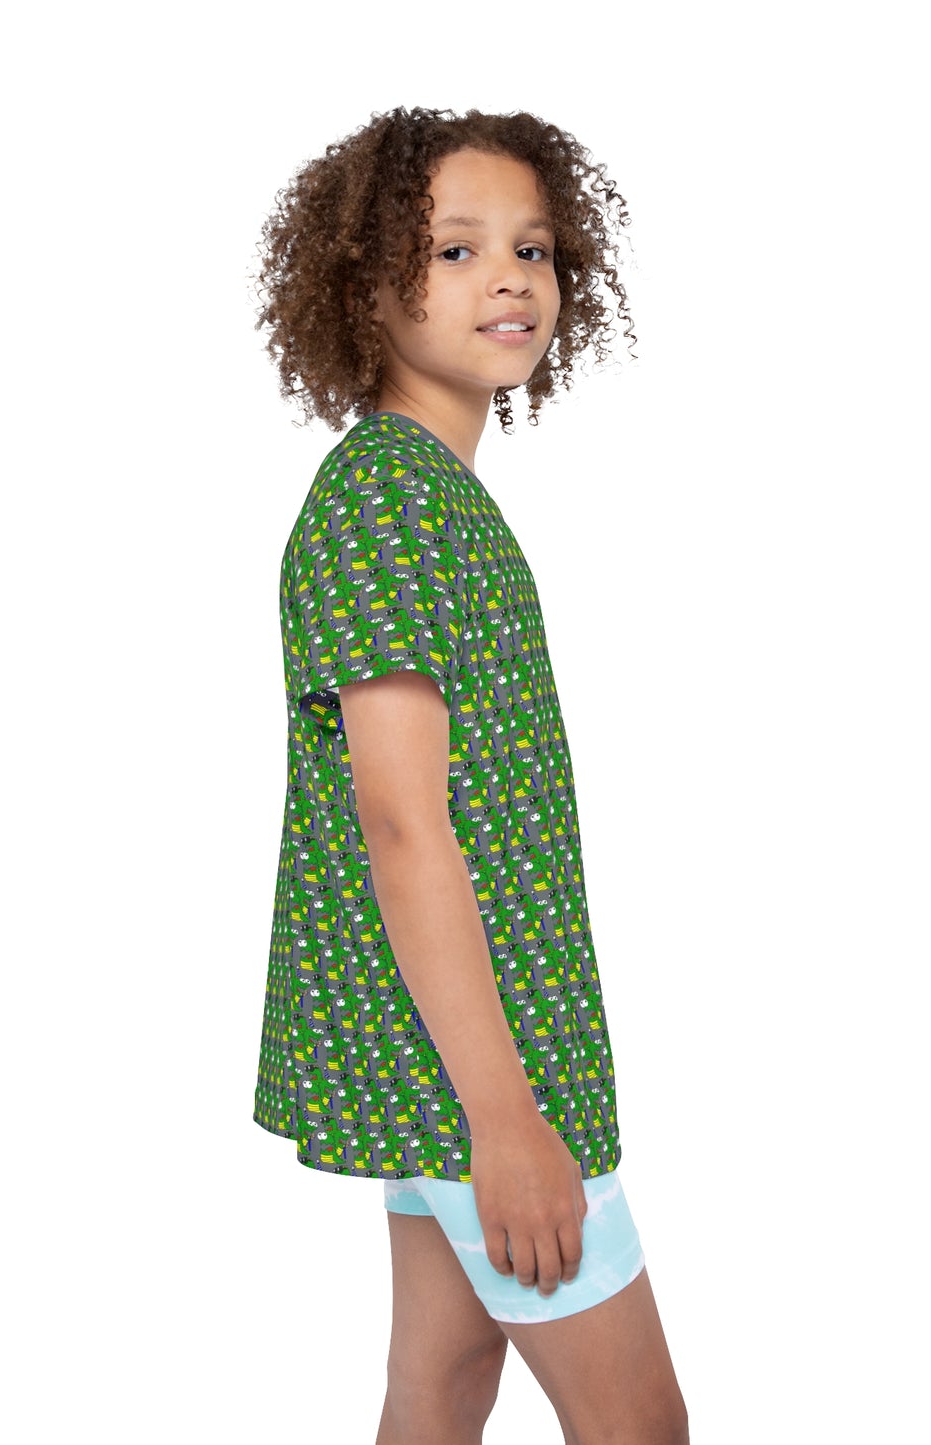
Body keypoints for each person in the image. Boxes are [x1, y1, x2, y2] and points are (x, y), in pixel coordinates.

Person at [251, 107, 690, 1445]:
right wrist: (505, 1122)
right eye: (454, 249)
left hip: (462, 1045)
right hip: (476, 1069)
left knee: (440, 1387)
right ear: (363, 286)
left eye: (532, 249)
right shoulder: (384, 502)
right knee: (637, 1425)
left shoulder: (435, 495)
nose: (509, 278)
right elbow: (401, 825)